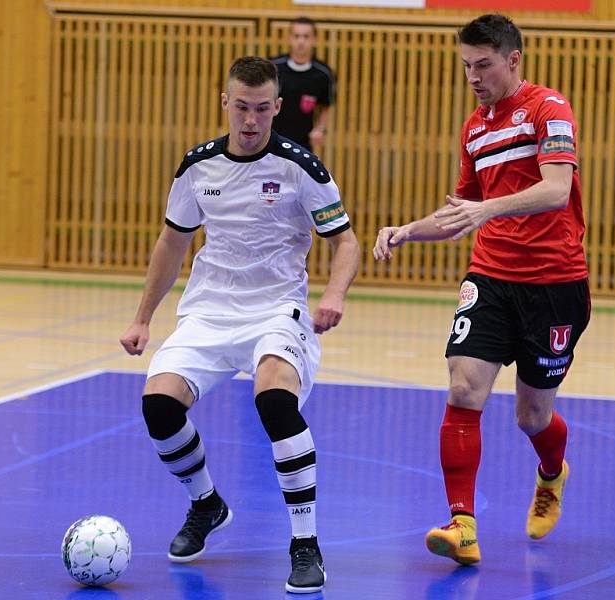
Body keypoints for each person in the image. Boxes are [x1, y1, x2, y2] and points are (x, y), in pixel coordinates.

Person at [120, 56, 360, 593]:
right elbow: (172, 243)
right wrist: (142, 319)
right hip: (208, 310)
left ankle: (305, 543)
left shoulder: (302, 167)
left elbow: (345, 241)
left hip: (276, 308)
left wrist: (334, 294)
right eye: (241, 108)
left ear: (277, 107)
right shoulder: (197, 166)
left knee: (275, 402)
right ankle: (205, 504)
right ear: (224, 102)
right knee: (158, 405)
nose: (250, 121)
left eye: (261, 110)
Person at [373, 14, 590, 566]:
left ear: (513, 60)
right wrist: (406, 231)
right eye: (466, 65)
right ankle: (462, 525)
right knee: (465, 388)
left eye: (483, 65)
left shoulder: (549, 108)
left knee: (531, 417)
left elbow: (557, 189)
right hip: (490, 276)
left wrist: (486, 209)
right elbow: (459, 213)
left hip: (553, 284)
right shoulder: (475, 127)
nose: (472, 76)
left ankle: (551, 472)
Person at [271, 17, 335, 152]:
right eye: (297, 36)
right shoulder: (273, 67)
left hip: (302, 145)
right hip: (270, 140)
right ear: (289, 38)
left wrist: (321, 129)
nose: (301, 41)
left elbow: (326, 105)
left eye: (306, 36)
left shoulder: (323, 73)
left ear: (314, 40)